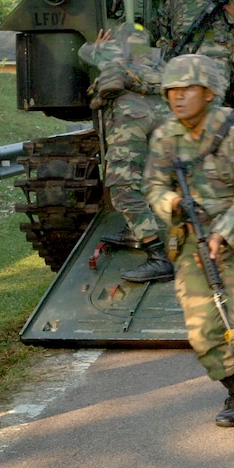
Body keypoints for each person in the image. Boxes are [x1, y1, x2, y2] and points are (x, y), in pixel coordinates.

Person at [143, 54, 234, 427]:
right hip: (193, 238)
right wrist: (171, 202)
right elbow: (153, 186)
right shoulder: (165, 137)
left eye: (187, 89)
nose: (177, 97)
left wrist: (224, 234)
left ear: (209, 93)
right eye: (171, 90)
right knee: (202, 331)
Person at [78, 23, 173, 283]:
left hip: (130, 117)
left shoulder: (114, 54)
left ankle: (158, 256)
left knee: (123, 184)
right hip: (164, 118)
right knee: (155, 176)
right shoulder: (159, 62)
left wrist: (97, 45)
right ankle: (137, 229)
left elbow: (84, 53)